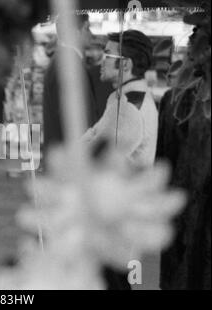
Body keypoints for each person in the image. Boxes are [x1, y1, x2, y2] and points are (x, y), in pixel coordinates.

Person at [158, 10, 211, 290]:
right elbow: (167, 164)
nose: (190, 42)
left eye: (197, 34)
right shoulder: (178, 101)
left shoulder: (179, 100)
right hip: (184, 227)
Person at [82, 30, 158, 169]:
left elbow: (95, 156)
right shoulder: (130, 97)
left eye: (107, 55)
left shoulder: (128, 107)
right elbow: (95, 136)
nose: (102, 61)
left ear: (125, 64)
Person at [42, 14, 96, 158]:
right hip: (68, 160)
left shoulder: (63, 62)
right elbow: (72, 120)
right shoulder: (68, 66)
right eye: (87, 28)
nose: (91, 34)